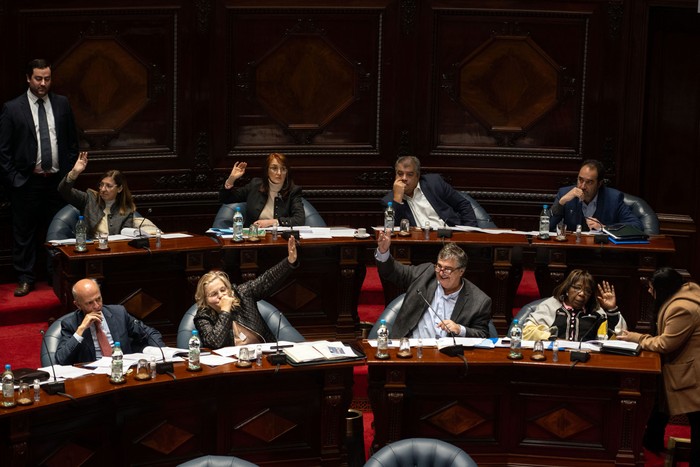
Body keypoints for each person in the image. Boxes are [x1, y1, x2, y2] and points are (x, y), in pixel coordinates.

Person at [0, 59, 81, 297]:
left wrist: (67, 175)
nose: (43, 83)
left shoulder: (62, 104)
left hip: (57, 182)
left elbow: (71, 142)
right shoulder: (12, 108)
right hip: (27, 182)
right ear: (28, 78)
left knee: (56, 232)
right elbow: (3, 151)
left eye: (47, 78)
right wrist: (15, 179)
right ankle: (25, 278)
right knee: (23, 233)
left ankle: (54, 276)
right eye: (38, 78)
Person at [617, 267, 700, 463]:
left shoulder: (681, 309)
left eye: (651, 288)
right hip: (689, 368)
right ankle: (652, 441)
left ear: (662, 289)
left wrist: (635, 338)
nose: (649, 291)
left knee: (697, 422)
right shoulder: (687, 291)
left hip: (694, 374)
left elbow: (664, 343)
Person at [375, 230, 491, 338]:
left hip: (449, 355)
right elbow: (393, 272)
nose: (441, 273)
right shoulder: (425, 274)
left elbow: (483, 335)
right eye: (439, 266)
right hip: (411, 347)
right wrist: (383, 252)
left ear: (461, 271)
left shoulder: (479, 301)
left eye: (448, 269)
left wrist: (460, 329)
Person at [193, 236, 299, 348]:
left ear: (229, 289)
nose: (221, 295)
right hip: (230, 362)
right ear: (205, 300)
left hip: (261, 355)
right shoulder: (203, 317)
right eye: (213, 294)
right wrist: (225, 312)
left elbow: (267, 280)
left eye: (223, 290)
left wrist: (289, 262)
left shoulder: (242, 294)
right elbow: (214, 343)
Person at [55, 278, 165, 365]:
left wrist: (162, 354)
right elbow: (61, 359)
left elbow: (150, 333)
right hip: (93, 375)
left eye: (98, 299)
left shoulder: (119, 313)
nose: (97, 306)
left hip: (123, 369)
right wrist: (81, 329)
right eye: (90, 303)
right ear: (78, 305)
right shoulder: (70, 324)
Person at [58, 152, 158, 237]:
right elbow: (63, 191)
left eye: (109, 186)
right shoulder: (89, 198)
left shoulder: (126, 210)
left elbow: (126, 237)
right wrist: (74, 173)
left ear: (119, 189)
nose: (103, 189)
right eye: (101, 185)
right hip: (89, 249)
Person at [522, 269, 627, 341]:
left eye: (587, 291)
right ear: (567, 289)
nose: (582, 294)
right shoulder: (551, 305)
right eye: (577, 288)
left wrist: (612, 310)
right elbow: (527, 332)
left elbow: (619, 337)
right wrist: (551, 338)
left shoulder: (596, 313)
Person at [381, 155, 477, 228]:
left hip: (449, 238)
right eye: (400, 174)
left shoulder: (434, 183)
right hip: (419, 245)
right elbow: (391, 229)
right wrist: (397, 199)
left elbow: (463, 204)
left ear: (417, 176)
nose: (404, 178)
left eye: (410, 174)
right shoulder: (388, 201)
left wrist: (470, 233)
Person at [549, 159, 643, 232]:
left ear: (599, 184)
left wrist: (604, 227)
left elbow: (637, 226)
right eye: (580, 180)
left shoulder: (613, 198)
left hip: (602, 252)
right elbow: (546, 227)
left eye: (589, 182)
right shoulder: (565, 194)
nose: (582, 186)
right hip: (572, 251)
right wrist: (561, 203)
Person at [220, 152, 304, 228]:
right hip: (253, 237)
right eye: (274, 168)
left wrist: (272, 222)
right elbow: (226, 198)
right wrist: (231, 179)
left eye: (283, 169)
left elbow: (299, 220)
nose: (279, 173)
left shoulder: (293, 191)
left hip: (279, 238)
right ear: (267, 171)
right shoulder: (255, 186)